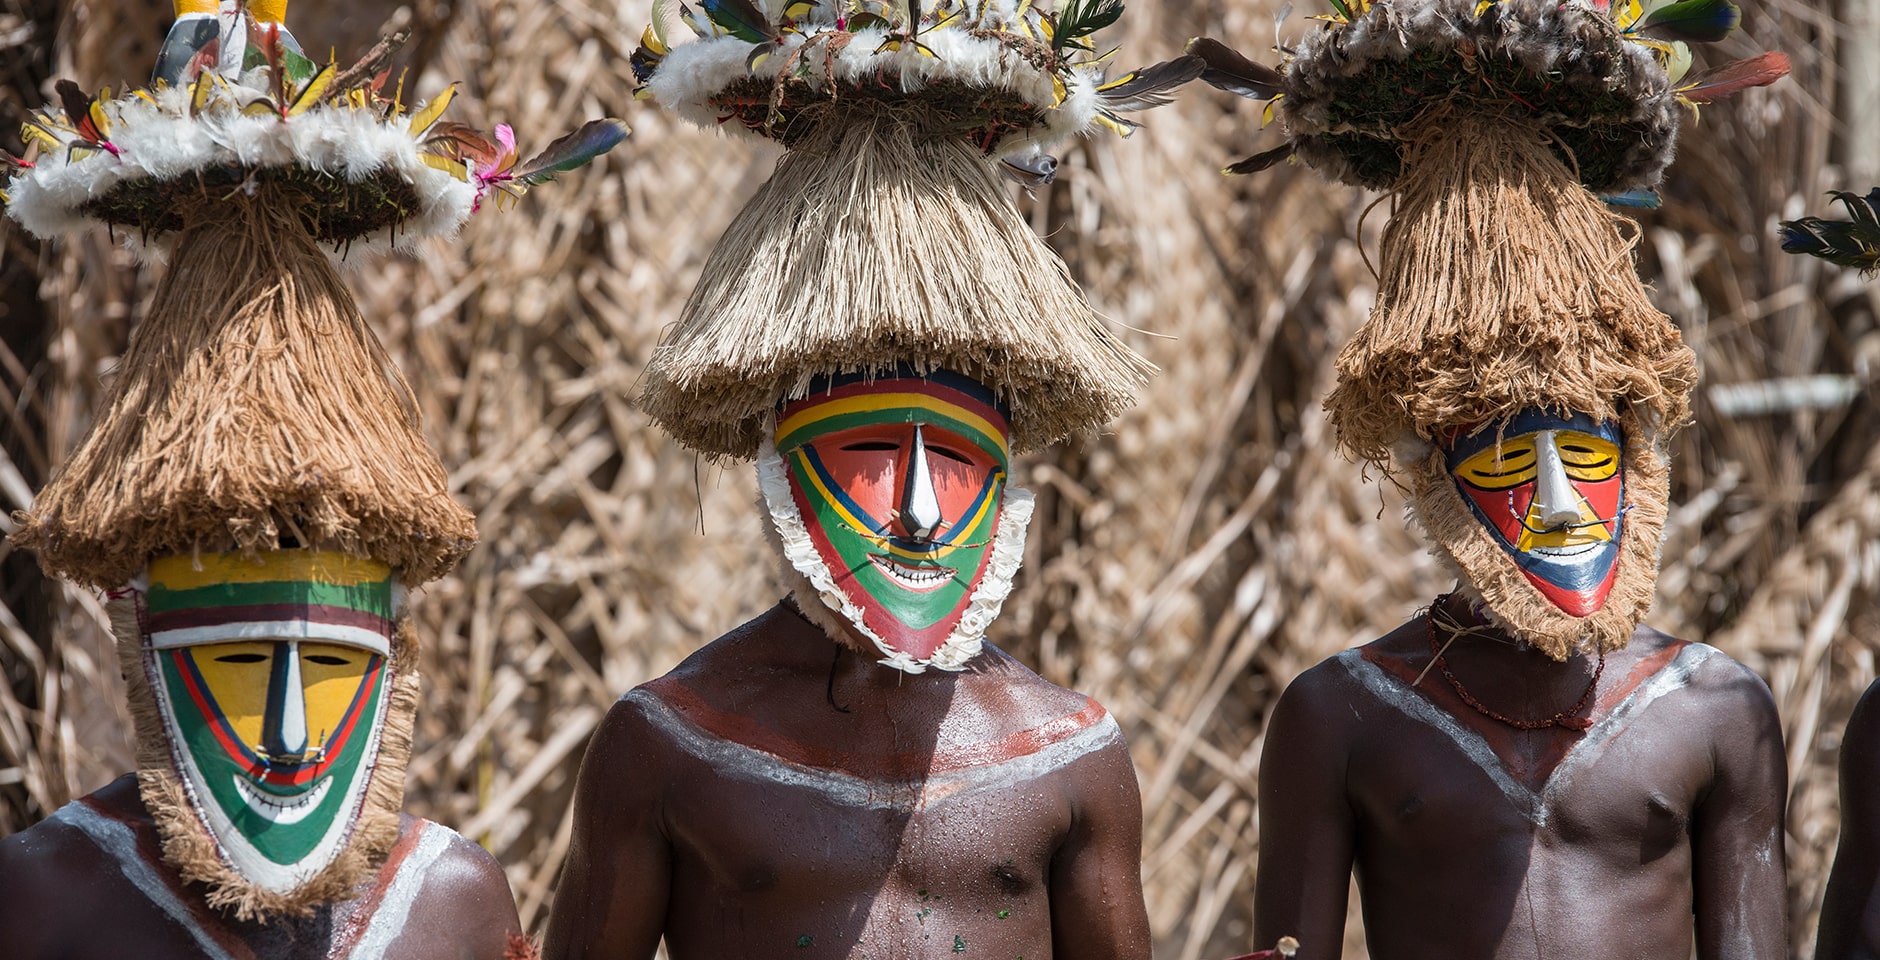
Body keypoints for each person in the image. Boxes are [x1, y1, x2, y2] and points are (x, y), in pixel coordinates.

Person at [548, 3, 1201, 954]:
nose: (920, 516)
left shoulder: (1068, 755)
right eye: (864, 459)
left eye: (959, 463)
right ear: (783, 459)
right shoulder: (670, 745)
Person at [1190, 1, 1793, 955]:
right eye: (1509, 462)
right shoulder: (1342, 712)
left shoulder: (1715, 707)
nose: (1558, 503)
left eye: (1588, 460)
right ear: (1434, 472)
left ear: (1637, 458)